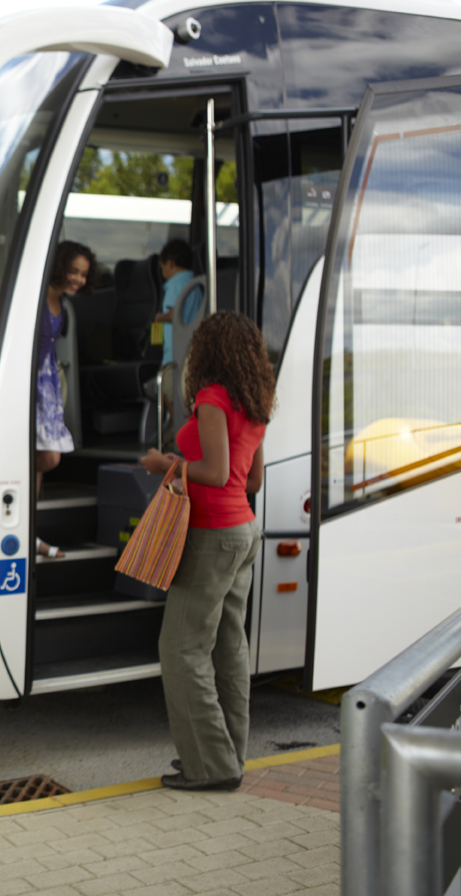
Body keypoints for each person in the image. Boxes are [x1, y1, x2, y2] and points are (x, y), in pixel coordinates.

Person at [139, 310, 275, 791]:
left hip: (213, 532)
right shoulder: (255, 402)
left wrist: (166, 464)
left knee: (181, 648)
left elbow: (215, 473)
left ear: (208, 349)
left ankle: (210, 767)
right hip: (244, 530)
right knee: (229, 647)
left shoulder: (213, 398)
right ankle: (226, 756)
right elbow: (252, 479)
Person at [36, 240, 95, 558]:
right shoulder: (39, 294)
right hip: (32, 385)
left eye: (83, 274)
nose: (78, 279)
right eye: (73, 270)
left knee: (43, 460)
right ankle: (27, 532)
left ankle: (29, 532)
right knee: (45, 457)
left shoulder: (59, 300)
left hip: (47, 386)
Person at [150, 238, 203, 435]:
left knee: (168, 389)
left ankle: (176, 431)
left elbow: (173, 313)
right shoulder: (194, 282)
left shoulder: (175, 283)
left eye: (162, 266)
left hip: (174, 353)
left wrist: (158, 317)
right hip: (189, 349)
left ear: (170, 263)